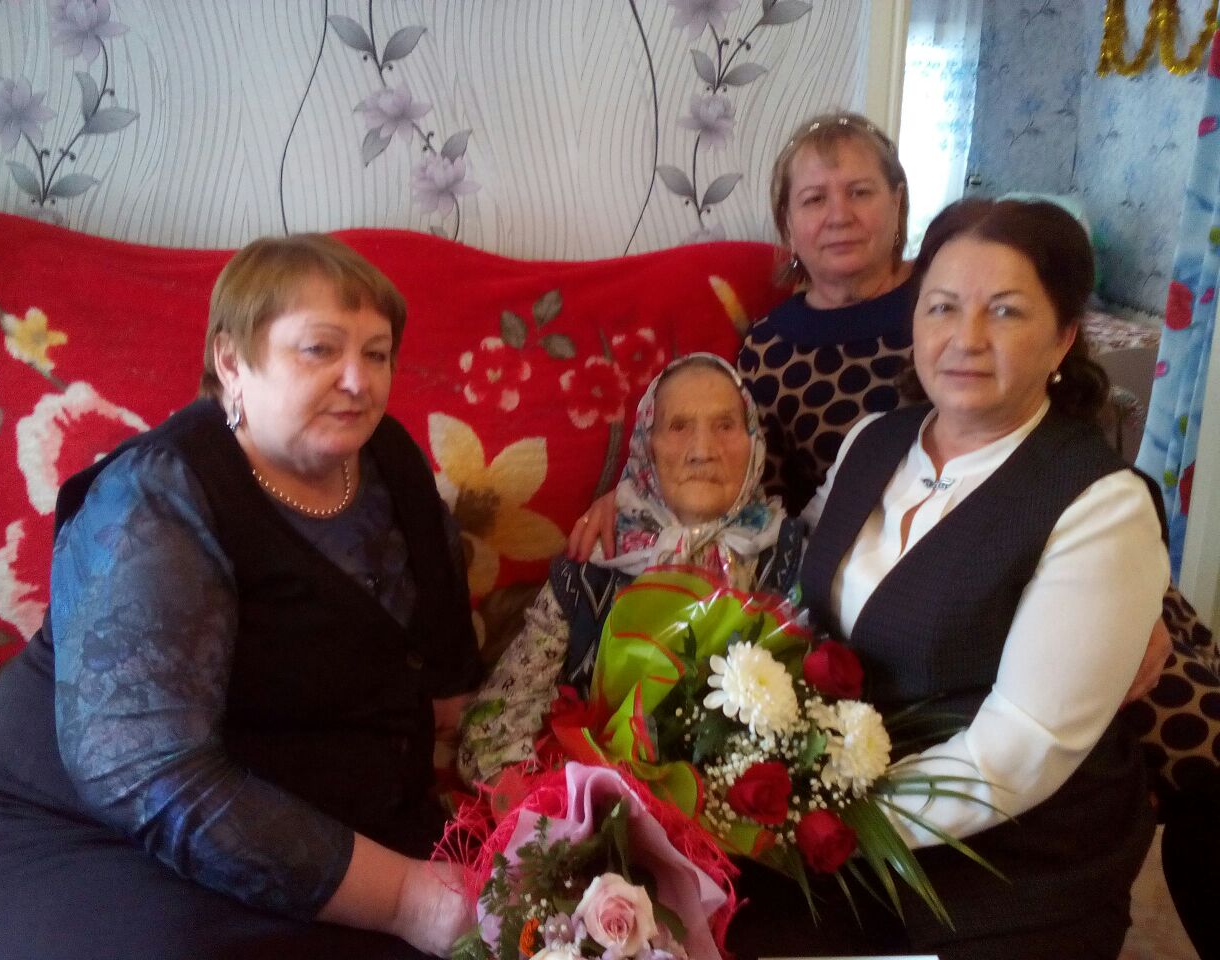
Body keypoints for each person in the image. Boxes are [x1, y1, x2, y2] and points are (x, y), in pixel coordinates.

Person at [567, 110, 1211, 776]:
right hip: (886, 590)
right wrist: (641, 495)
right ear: (787, 223)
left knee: (1194, 735)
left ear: (898, 203)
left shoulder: (955, 291)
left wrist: (1128, 600)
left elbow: (1070, 471)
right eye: (814, 199)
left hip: (1050, 562)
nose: (838, 215)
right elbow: (748, 485)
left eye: (860, 191)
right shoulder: (767, 347)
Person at [0, 235, 481, 959]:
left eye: (377, 353)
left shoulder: (390, 462)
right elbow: (149, 775)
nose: (359, 380)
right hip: (85, 836)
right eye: (320, 349)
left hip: (310, 811)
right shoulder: (155, 496)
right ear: (231, 361)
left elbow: (443, 677)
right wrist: (406, 896)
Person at [733, 198, 1169, 959]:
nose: (966, 338)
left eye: (1005, 311)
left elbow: (1021, 748)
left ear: (1064, 336)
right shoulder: (874, 439)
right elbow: (791, 576)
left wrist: (833, 823)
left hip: (1014, 855)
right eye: (941, 307)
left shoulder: (1100, 505)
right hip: (845, 808)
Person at [458, 354, 803, 785]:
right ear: (646, 445)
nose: (703, 451)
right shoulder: (593, 568)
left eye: (725, 425)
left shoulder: (789, 560)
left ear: (753, 440)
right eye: (678, 426)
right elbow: (491, 732)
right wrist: (572, 806)